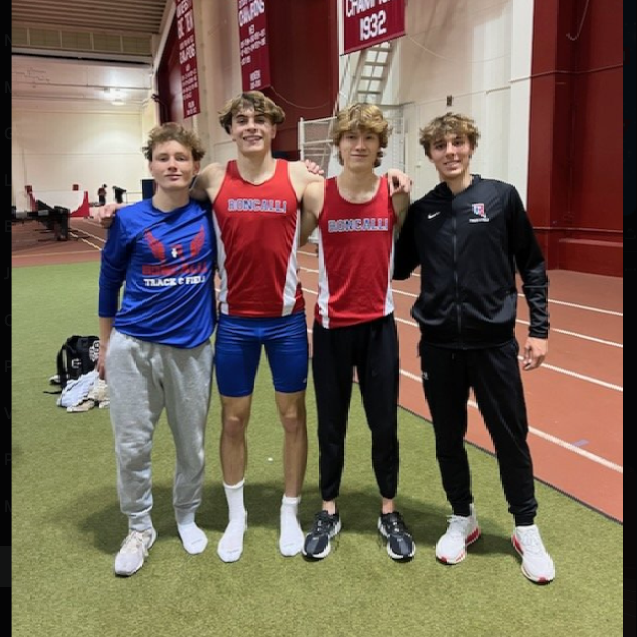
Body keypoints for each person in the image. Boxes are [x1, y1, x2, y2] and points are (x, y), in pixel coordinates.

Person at [393, 112, 555, 583]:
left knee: (510, 437)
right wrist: (399, 206)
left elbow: (532, 266)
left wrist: (539, 329)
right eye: (440, 146)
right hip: (439, 345)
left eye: (458, 142)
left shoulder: (501, 198)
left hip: (493, 345)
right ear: (429, 154)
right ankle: (463, 517)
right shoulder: (424, 211)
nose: (450, 152)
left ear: (470, 146)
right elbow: (399, 267)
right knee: (448, 437)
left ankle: (525, 527)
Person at [298, 103, 415, 561]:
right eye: (351, 137)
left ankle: (389, 510)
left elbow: (412, 250)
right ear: (339, 143)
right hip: (331, 328)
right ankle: (328, 509)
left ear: (380, 144)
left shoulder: (395, 193)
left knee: (384, 425)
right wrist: (293, 175)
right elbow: (286, 238)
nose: (360, 145)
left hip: (379, 328)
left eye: (369, 137)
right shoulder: (317, 195)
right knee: (331, 425)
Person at [98, 122, 216, 576]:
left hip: (191, 350)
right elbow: (109, 283)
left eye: (181, 157)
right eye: (163, 157)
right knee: (132, 446)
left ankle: (186, 515)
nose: (172, 165)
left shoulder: (211, 215)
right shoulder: (128, 220)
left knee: (192, 446)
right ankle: (139, 527)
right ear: (150, 165)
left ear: (195, 165)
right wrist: (105, 346)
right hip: (133, 348)